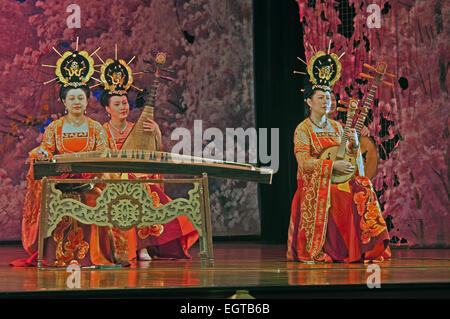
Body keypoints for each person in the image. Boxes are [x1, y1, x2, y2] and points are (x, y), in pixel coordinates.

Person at [11, 49, 116, 267]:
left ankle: (92, 256)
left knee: (96, 199)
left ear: (87, 101)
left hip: (88, 184)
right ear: (63, 101)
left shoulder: (95, 128)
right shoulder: (55, 128)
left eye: (81, 97)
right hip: (60, 185)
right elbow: (47, 149)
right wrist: (41, 153)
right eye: (72, 98)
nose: (77, 102)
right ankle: (56, 256)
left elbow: (103, 154)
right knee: (56, 201)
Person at [287, 51, 390, 263]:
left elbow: (351, 155)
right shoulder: (303, 130)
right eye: (320, 97)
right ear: (309, 101)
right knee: (340, 194)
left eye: (328, 97)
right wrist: (331, 166)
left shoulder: (337, 127)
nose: (326, 101)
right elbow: (303, 162)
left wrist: (356, 142)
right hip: (314, 182)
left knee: (363, 186)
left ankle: (367, 248)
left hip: (338, 178)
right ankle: (341, 250)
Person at [98, 56, 199, 263]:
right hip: (112, 181)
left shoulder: (138, 128)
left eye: (125, 102)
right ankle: (132, 248)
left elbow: (152, 155)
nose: (122, 107)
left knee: (145, 187)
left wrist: (156, 133)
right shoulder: (101, 132)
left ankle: (145, 245)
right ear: (107, 109)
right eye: (116, 104)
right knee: (133, 187)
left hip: (138, 179)